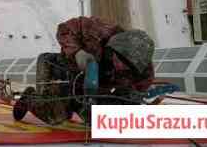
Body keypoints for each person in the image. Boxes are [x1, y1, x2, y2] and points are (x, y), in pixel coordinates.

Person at [13, 16, 155, 124]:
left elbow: (134, 96)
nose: (121, 66)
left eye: (128, 65)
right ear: (115, 47)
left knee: (95, 118)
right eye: (121, 59)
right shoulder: (100, 30)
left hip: (91, 87)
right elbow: (64, 29)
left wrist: (136, 103)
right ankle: (29, 98)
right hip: (60, 69)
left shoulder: (143, 73)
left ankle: (76, 105)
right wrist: (77, 52)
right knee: (54, 116)